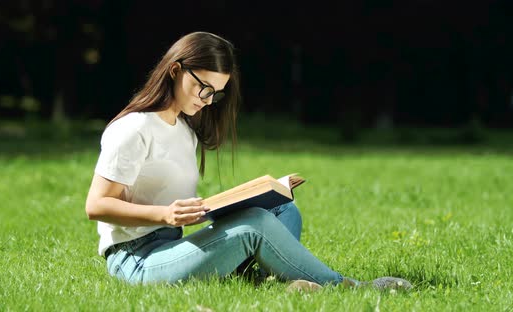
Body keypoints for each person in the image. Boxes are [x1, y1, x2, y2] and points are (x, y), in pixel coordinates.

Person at [85, 31, 412, 292]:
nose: (208, 101)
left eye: (216, 93)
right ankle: (346, 288)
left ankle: (284, 281)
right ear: (174, 70)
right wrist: (165, 214)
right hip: (137, 260)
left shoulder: (184, 131)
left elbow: (177, 209)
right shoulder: (134, 128)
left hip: (170, 245)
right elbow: (96, 205)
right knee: (254, 225)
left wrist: (243, 199)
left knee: (282, 209)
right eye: (203, 88)